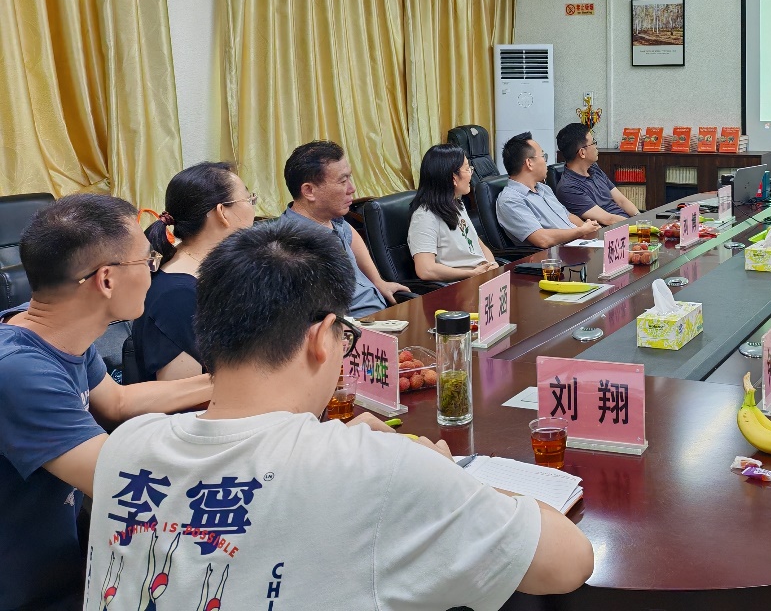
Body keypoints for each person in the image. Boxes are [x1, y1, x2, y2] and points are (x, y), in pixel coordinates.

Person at [83, 220, 594, 609]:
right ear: (321, 338)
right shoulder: (375, 466)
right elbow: (569, 562)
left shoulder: (126, 446)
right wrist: (444, 472)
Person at [0, 195, 213, 611]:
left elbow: (117, 400)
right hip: (23, 588)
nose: (153, 270)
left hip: (58, 562)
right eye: (147, 260)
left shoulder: (49, 327)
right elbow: (121, 482)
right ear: (107, 280)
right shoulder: (20, 372)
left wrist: (228, 383)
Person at [133, 162, 257, 380]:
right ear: (222, 212)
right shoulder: (177, 295)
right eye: (248, 199)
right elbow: (181, 394)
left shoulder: (213, 273)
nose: (253, 209)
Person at [280, 140, 412, 317]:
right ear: (309, 191)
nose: (352, 188)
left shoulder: (330, 217)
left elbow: (350, 233)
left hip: (380, 312)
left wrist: (378, 281)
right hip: (355, 327)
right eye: (343, 181)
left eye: (349, 178)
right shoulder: (293, 246)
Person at [407, 143, 499, 282]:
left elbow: (477, 243)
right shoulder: (425, 216)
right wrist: (471, 274)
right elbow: (425, 270)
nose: (471, 174)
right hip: (460, 286)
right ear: (453, 178)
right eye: (467, 169)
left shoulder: (456, 203)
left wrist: (492, 265)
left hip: (480, 279)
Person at [496, 132, 600, 248]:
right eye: (543, 156)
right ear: (529, 163)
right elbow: (542, 239)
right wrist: (581, 231)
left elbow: (568, 216)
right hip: (557, 254)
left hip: (579, 244)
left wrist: (588, 228)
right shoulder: (510, 200)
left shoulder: (543, 188)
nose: (546, 162)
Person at [553, 123, 639, 225]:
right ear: (582, 153)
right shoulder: (568, 188)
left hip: (629, 223)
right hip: (612, 229)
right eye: (593, 143)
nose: (596, 146)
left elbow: (621, 201)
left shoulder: (593, 168)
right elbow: (608, 219)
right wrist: (638, 225)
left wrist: (640, 218)